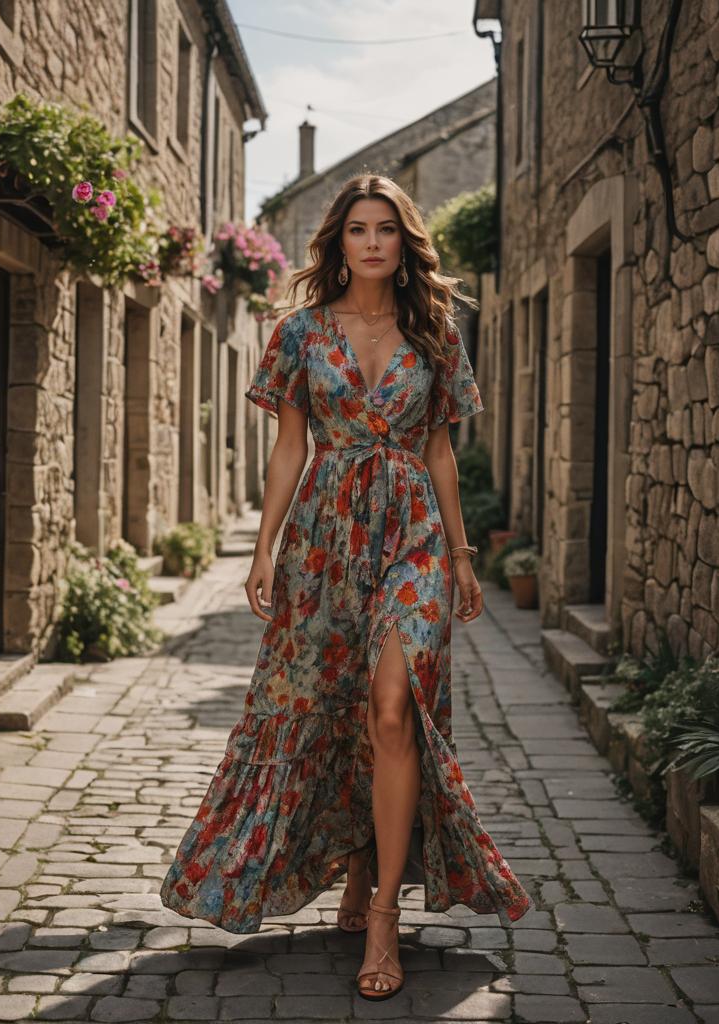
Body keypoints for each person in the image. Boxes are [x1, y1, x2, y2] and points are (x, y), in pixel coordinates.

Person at [160, 173, 532, 1000]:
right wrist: (262, 550)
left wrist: (464, 556)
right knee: (333, 706)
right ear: (340, 242)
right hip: (324, 540)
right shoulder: (299, 333)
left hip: (413, 539)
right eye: (358, 228)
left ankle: (384, 918)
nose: (372, 241)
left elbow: (438, 453)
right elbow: (291, 448)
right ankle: (358, 862)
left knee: (394, 706)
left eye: (387, 228)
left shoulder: (434, 335)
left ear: (405, 244)